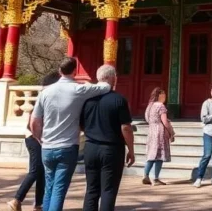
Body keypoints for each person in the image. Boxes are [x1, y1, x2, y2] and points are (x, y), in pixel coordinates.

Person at [29, 57, 111, 211]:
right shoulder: (78, 89)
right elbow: (105, 87)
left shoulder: (45, 92)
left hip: (47, 146)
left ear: (60, 71)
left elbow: (34, 121)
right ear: (75, 71)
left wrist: (39, 138)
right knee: (59, 189)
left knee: (49, 186)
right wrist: (89, 83)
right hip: (67, 147)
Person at [80, 65, 135, 211]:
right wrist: (131, 149)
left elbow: (81, 125)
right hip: (111, 149)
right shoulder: (118, 99)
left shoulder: (86, 100)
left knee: (91, 190)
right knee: (108, 190)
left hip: (90, 147)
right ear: (111, 78)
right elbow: (126, 127)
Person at [8, 73, 60, 211]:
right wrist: (40, 140)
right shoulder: (45, 97)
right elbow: (33, 123)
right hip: (34, 137)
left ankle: (39, 204)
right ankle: (16, 199)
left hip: (39, 138)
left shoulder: (48, 96)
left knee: (42, 171)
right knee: (35, 170)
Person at [142, 87, 174, 186]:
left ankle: (146, 175)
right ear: (158, 95)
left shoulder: (150, 106)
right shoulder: (161, 106)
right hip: (160, 132)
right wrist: (171, 132)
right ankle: (156, 178)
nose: (165, 96)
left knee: (152, 154)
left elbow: (147, 119)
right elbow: (165, 121)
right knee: (159, 156)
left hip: (151, 131)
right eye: (163, 94)